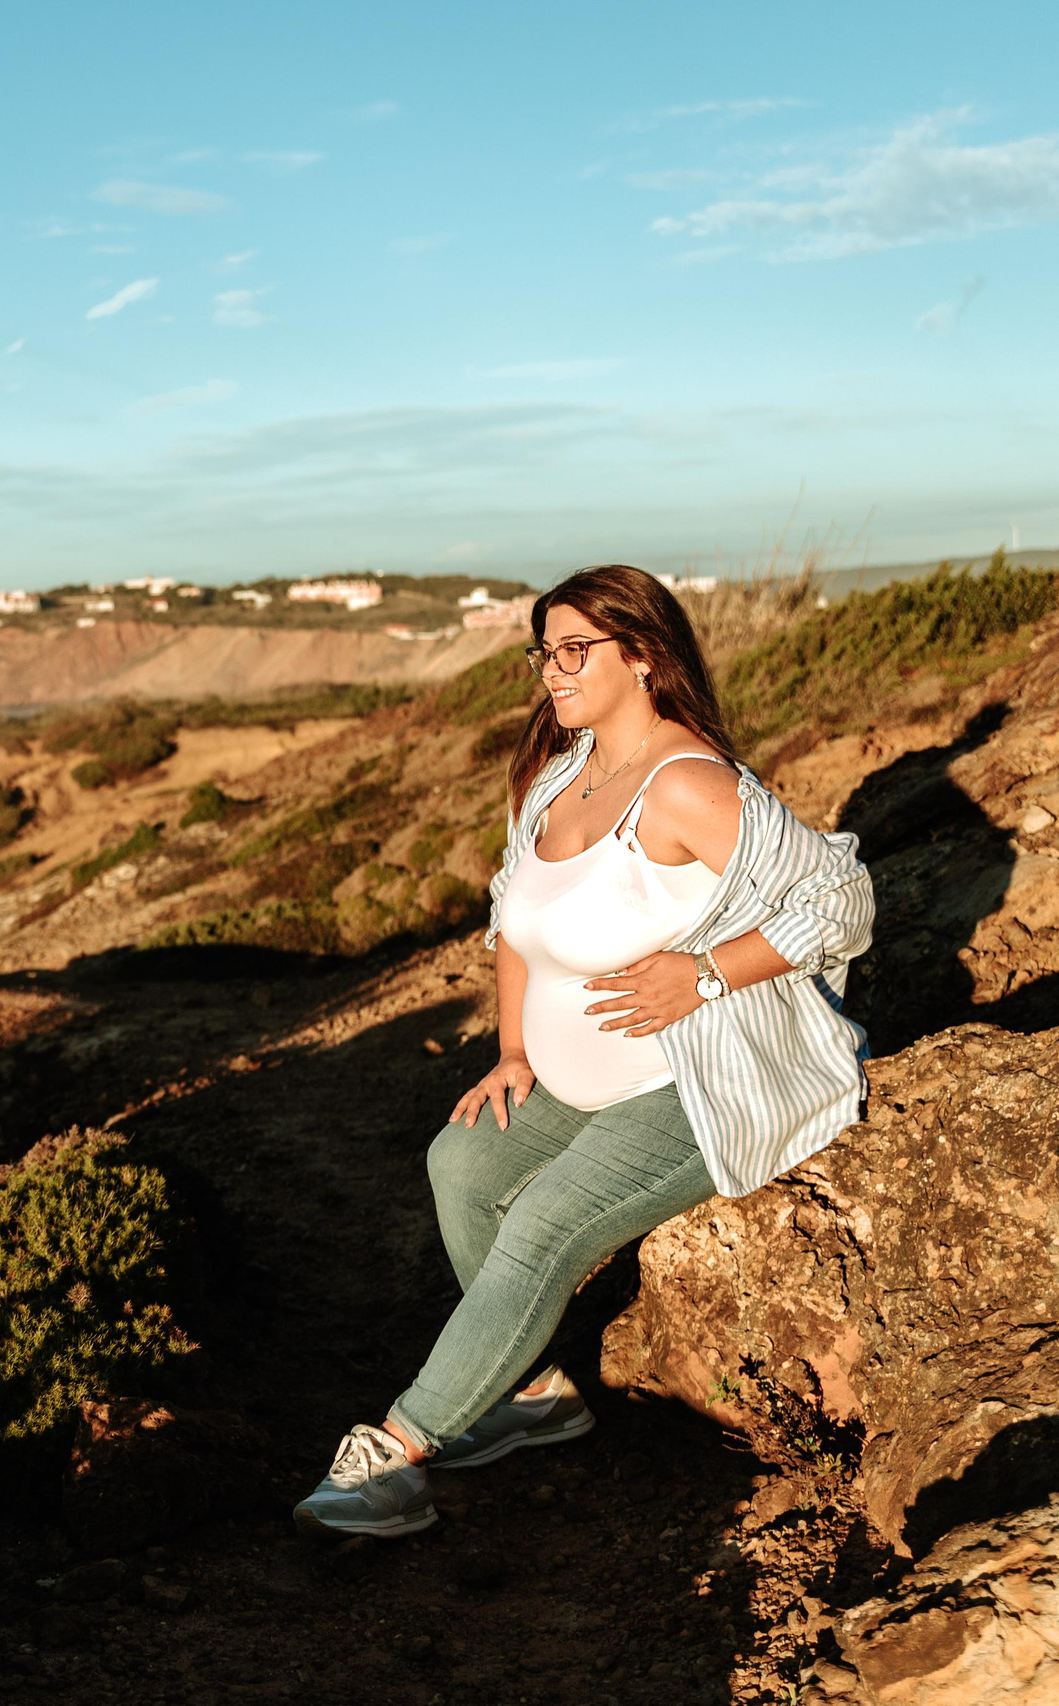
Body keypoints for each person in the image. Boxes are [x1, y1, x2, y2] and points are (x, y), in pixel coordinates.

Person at [293, 565, 874, 1538]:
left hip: (698, 1077)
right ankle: (530, 1397)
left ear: (642, 657)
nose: (552, 671)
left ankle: (395, 1454)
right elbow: (514, 925)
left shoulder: (686, 785)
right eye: (544, 652)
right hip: (575, 1078)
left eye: (575, 651)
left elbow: (840, 902)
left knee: (549, 1218)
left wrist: (703, 974)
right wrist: (514, 1049)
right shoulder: (565, 779)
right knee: (462, 1162)